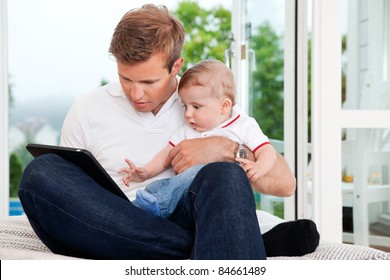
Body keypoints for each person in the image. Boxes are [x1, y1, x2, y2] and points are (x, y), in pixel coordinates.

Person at [18, 4, 319, 260]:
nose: (135, 93)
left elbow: (285, 186)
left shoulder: (206, 104)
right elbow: (72, 196)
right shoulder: (87, 108)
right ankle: (217, 245)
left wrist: (225, 149)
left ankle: (190, 242)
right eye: (125, 78)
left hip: (185, 213)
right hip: (109, 220)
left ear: (176, 66)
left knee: (225, 175)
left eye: (148, 82)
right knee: (41, 173)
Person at [119, 59, 277, 219]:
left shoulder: (243, 125)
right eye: (185, 106)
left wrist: (260, 167)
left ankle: (157, 205)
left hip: (220, 196)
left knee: (199, 171)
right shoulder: (188, 130)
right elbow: (167, 155)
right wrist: (145, 172)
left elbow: (267, 151)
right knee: (157, 186)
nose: (187, 114)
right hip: (187, 198)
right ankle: (143, 206)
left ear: (224, 106)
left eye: (196, 107)